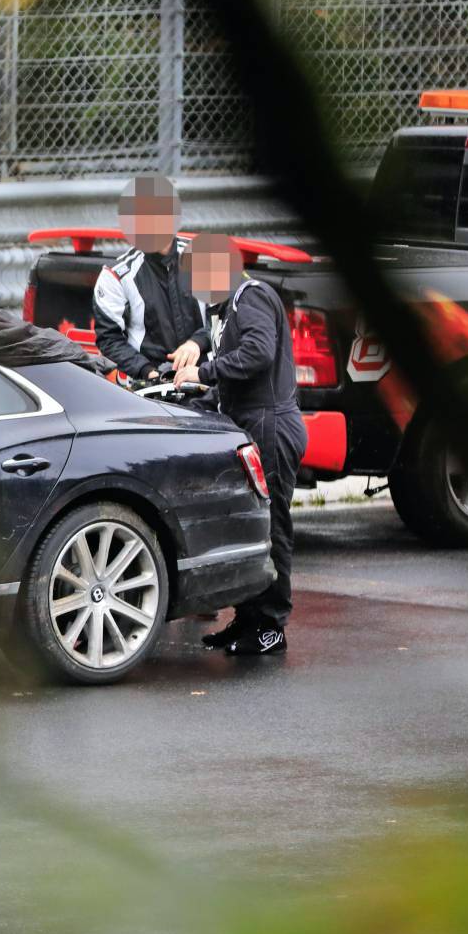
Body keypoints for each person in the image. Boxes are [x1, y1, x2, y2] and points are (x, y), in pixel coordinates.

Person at [177, 233, 308, 656]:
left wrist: (205, 372)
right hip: (251, 424)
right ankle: (248, 619)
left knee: (272, 528)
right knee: (250, 526)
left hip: (270, 424)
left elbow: (258, 354)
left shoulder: (250, 296)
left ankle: (271, 625)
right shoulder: (225, 308)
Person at [91, 173, 208, 382]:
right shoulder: (115, 275)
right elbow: (109, 339)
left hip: (207, 380)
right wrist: (149, 373)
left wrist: (197, 343)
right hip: (147, 387)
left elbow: (231, 319)